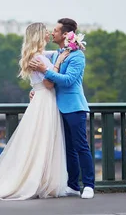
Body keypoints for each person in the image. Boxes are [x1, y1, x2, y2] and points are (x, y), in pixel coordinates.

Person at [0, 22, 67, 200]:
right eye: (46, 31)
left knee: (38, 141)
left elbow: (47, 65)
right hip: (45, 101)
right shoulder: (40, 59)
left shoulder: (36, 56)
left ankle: (39, 180)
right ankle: (42, 182)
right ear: (39, 35)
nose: (49, 33)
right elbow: (49, 83)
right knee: (44, 140)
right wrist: (58, 63)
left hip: (40, 100)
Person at [29, 18, 95, 199]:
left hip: (74, 107)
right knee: (68, 149)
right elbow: (39, 67)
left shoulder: (77, 56)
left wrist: (45, 70)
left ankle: (89, 185)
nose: (52, 33)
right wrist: (36, 90)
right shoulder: (59, 53)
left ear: (66, 34)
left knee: (81, 146)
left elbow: (68, 80)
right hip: (57, 107)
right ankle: (73, 185)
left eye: (56, 30)